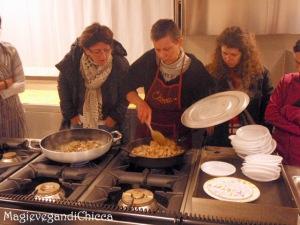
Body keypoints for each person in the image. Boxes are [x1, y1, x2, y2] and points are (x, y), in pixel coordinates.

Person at [124, 19, 214, 147]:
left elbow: (207, 102)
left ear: (180, 42)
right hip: (147, 131)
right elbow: (126, 86)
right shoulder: (148, 60)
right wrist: (140, 103)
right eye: (157, 49)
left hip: (179, 137)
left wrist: (209, 121)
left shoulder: (195, 69)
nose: (162, 55)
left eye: (167, 49)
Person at [56, 23, 129, 140]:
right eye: (97, 51)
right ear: (86, 50)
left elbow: (126, 93)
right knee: (79, 152)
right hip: (79, 121)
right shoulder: (73, 60)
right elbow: (63, 87)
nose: (103, 56)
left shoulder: (120, 64)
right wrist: (70, 115)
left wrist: (115, 116)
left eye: (107, 50)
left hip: (109, 123)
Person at [206, 26, 273, 147]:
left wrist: (263, 134)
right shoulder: (212, 72)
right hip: (220, 137)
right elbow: (205, 102)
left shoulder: (260, 74)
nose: (227, 58)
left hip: (249, 137)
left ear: (245, 54)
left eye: (233, 54)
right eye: (224, 53)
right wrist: (207, 119)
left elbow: (268, 108)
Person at [265, 40, 300, 166]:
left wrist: (286, 110)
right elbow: (270, 115)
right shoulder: (287, 81)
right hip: (278, 154)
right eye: (297, 63)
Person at [0, 16, 27, 138]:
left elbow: (21, 85)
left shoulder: (9, 51)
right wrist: (6, 83)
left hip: (13, 115)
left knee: (17, 153)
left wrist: (2, 92)